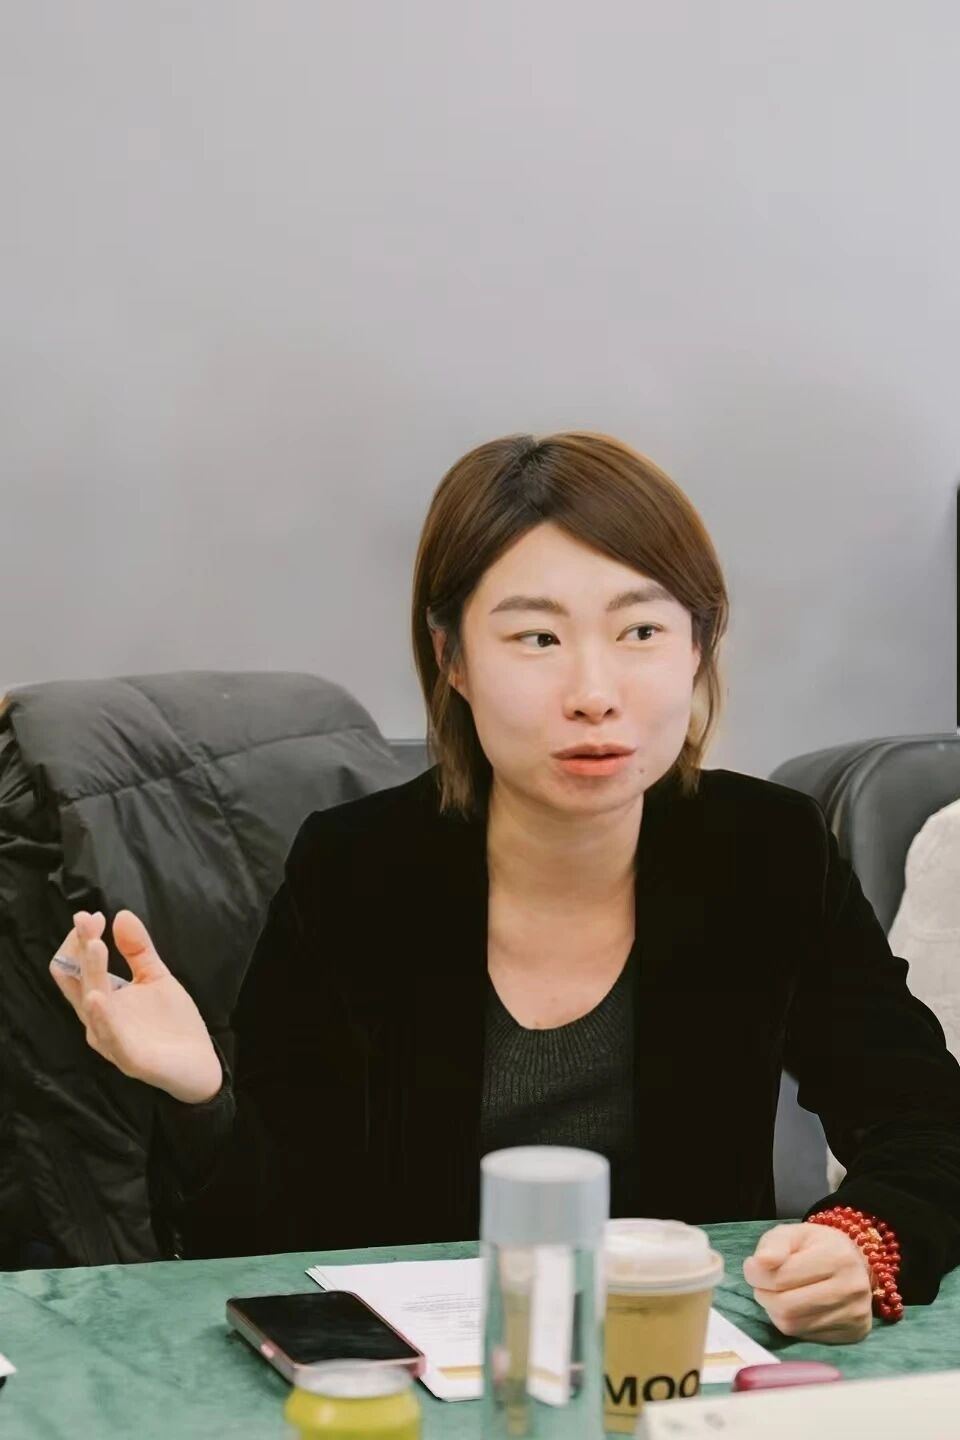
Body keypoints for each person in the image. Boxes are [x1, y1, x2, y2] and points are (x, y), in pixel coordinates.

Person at [51, 432, 960, 1344]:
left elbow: (929, 1123)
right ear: (452, 657)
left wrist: (862, 1241)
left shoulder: (763, 849)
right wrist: (201, 1092)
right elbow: (265, 1241)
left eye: (641, 632)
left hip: (675, 1363)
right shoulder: (356, 870)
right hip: (415, 1376)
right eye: (537, 638)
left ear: (697, 646)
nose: (594, 693)